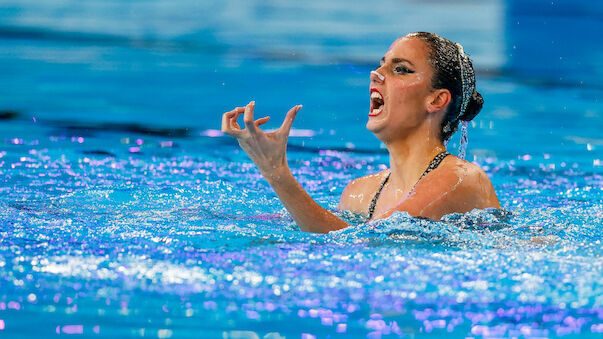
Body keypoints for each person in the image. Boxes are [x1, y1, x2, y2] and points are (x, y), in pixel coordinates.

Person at [221, 32, 500, 233]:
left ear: (437, 100)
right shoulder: (360, 193)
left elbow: (358, 244)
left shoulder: (461, 180)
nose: (376, 73)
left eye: (401, 69)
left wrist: (276, 172)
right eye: (382, 64)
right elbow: (317, 225)